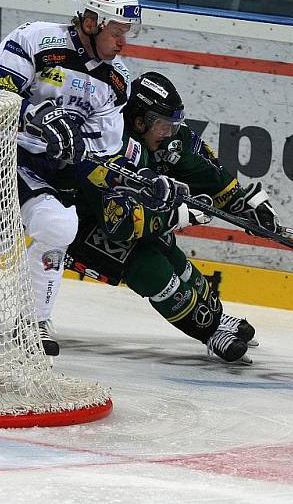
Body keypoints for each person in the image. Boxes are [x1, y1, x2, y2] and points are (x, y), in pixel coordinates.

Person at [0, 0, 142, 356]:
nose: (122, 42)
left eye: (127, 33)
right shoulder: (34, 40)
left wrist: (141, 177)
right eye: (116, 31)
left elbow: (105, 146)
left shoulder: (117, 80)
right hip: (1, 153)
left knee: (61, 225)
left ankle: (33, 320)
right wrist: (37, 118)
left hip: (51, 170)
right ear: (90, 23)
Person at [67, 72, 280, 363]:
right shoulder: (112, 143)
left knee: (171, 255)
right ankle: (208, 331)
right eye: (164, 125)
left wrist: (246, 207)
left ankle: (214, 318)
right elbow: (120, 224)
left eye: (172, 124)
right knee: (150, 269)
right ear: (140, 121)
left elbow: (205, 173)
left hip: (122, 214)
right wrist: (175, 216)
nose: (170, 132)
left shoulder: (162, 137)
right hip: (81, 222)